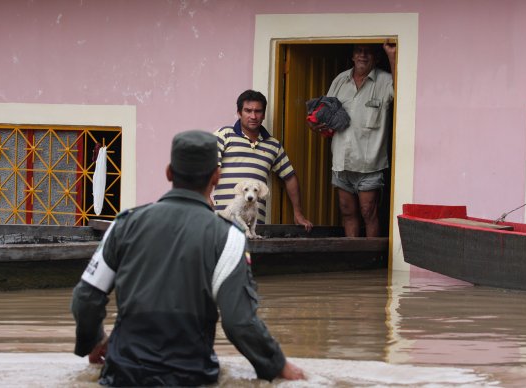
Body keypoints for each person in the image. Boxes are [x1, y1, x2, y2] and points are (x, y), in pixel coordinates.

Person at [70, 130, 305, 386]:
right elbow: (239, 323)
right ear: (216, 176)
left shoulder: (124, 225)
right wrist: (278, 364)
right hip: (193, 376)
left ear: (169, 172)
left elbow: (85, 298)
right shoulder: (228, 237)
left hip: (121, 374)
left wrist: (93, 342)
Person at [309, 41, 396, 237]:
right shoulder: (340, 80)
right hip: (341, 162)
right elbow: (326, 111)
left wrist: (392, 55)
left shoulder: (385, 81)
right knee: (347, 212)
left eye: (368, 52)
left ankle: (371, 262)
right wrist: (315, 124)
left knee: (369, 213)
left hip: (370, 164)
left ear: (376, 58)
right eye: (359, 51)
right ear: (353, 56)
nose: (363, 56)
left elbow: (404, 92)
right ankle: (353, 255)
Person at [213, 89, 313, 232]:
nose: (253, 116)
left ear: (264, 114)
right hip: (224, 222)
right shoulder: (224, 135)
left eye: (258, 111)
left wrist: (298, 213)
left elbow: (290, 178)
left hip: (254, 225)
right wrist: (205, 199)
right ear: (239, 113)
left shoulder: (273, 145)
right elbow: (207, 166)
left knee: (251, 255)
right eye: (248, 111)